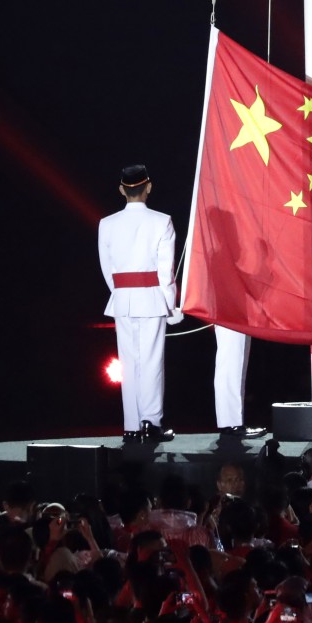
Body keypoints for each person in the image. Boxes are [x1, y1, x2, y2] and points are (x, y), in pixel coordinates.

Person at [98, 163, 178, 444]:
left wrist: (122, 294)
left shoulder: (106, 224)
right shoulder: (162, 221)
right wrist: (170, 306)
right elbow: (165, 271)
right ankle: (151, 423)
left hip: (123, 299)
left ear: (122, 189)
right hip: (152, 297)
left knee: (129, 364)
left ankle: (132, 424)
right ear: (149, 187)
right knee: (151, 361)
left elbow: (107, 270)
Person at [214, 326, 268, 440]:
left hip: (238, 311)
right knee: (231, 362)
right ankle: (231, 423)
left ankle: (232, 421)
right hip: (230, 312)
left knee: (237, 362)